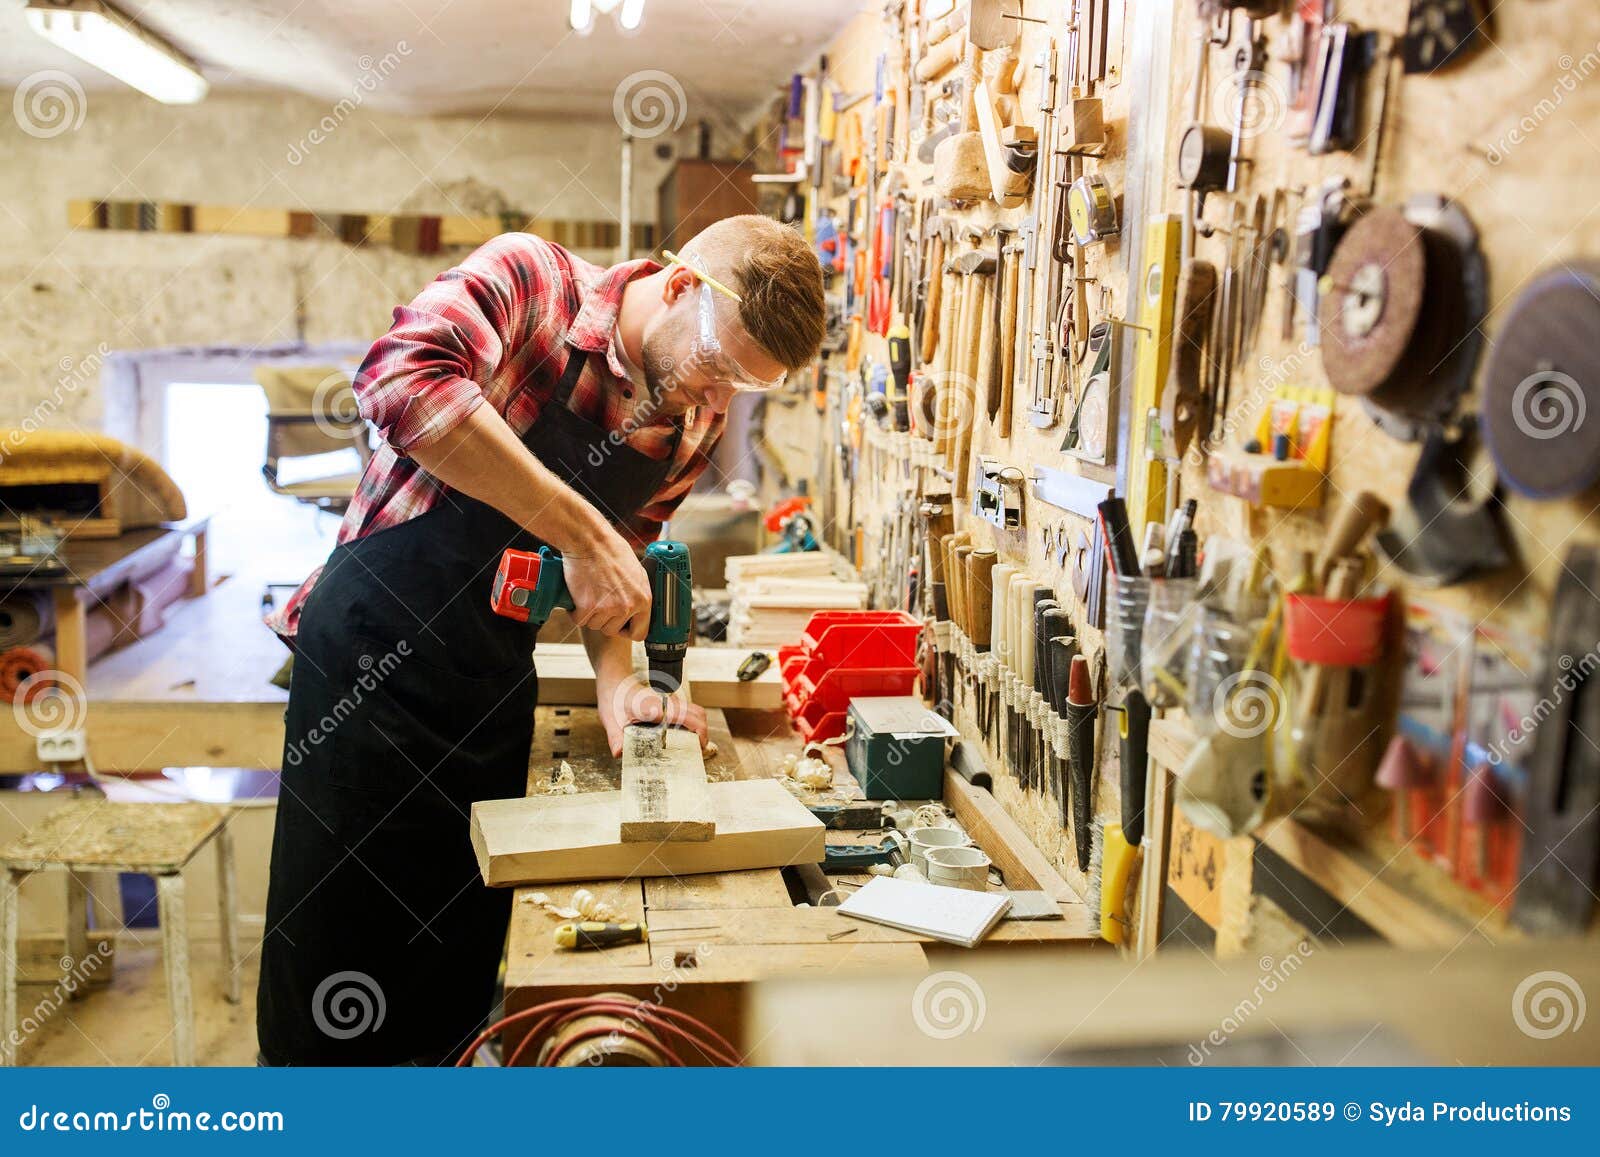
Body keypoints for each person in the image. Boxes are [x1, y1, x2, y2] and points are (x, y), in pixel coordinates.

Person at [256, 215, 826, 1064]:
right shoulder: (534, 285)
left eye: (744, 388)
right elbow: (398, 382)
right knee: (338, 949)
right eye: (718, 368)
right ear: (678, 288)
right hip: (372, 666)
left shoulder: (689, 418)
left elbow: (617, 572)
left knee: (457, 949)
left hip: (487, 676)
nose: (718, 406)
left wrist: (617, 686)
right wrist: (577, 527)